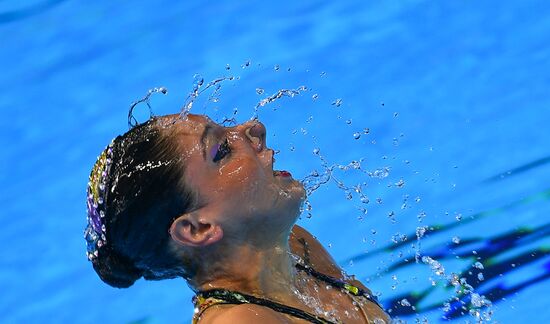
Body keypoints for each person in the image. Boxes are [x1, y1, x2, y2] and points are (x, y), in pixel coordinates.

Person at [85, 113, 390, 323]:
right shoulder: (240, 320)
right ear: (197, 228)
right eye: (223, 150)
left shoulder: (295, 247)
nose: (253, 129)